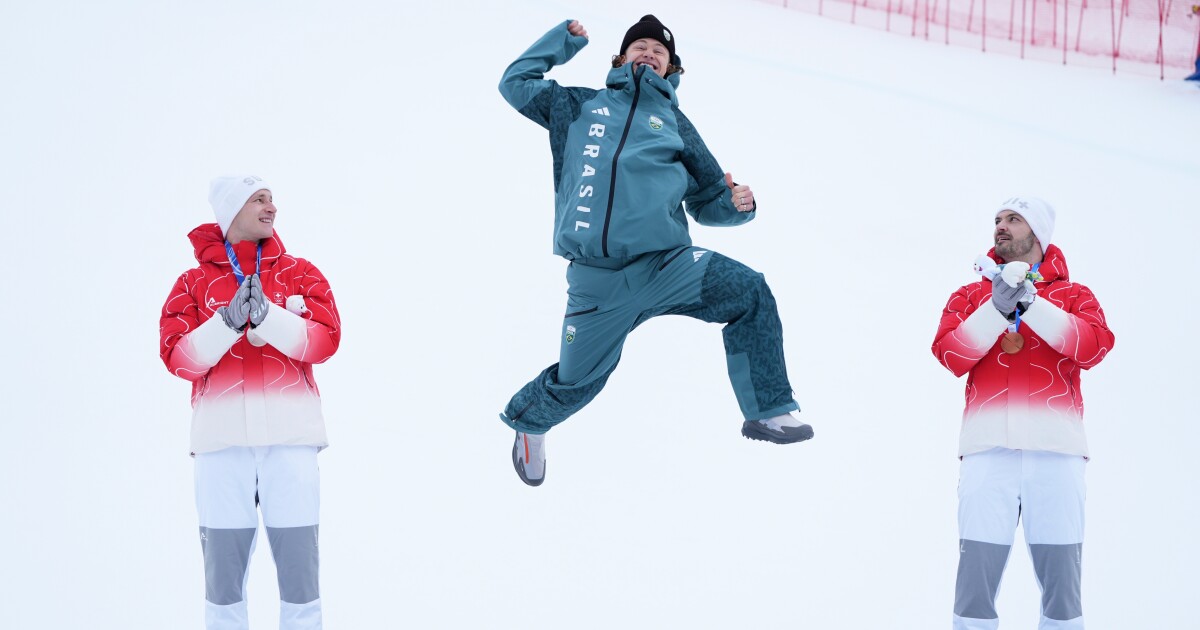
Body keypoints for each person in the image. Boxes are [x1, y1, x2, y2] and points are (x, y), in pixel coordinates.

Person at [497, 15, 813, 487]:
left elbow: (709, 199)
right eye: (639, 46)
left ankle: (769, 411)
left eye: (658, 51)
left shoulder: (676, 126)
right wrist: (563, 42)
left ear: (670, 69)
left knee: (749, 291)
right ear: (621, 58)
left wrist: (738, 205)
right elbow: (514, 83)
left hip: (667, 265)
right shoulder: (575, 106)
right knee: (577, 382)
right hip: (597, 279)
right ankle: (531, 424)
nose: (648, 53)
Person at [160, 175, 341, 629]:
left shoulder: (300, 272)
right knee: (223, 585)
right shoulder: (191, 284)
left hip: (291, 441)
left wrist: (270, 317)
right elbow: (178, 358)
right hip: (221, 448)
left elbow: (325, 341)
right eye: (259, 198)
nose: (272, 207)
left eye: (272, 198)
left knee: (302, 580)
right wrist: (226, 324)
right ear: (231, 210)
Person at [931, 197, 1114, 630]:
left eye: (1014, 219)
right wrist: (995, 309)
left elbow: (1094, 347)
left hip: (1057, 453)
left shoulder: (1075, 295)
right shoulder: (971, 294)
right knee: (974, 585)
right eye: (997, 219)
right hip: (987, 452)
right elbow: (949, 354)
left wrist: (1033, 303)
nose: (1001, 226)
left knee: (1062, 589)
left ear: (1039, 233)